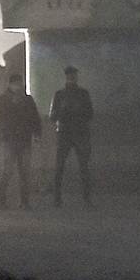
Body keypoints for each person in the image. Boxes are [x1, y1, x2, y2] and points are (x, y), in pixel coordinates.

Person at [49, 65, 94, 207]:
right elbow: (53, 116)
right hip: (68, 133)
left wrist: (76, 112)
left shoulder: (81, 94)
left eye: (73, 76)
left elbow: (90, 113)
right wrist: (64, 112)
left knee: (82, 167)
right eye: (70, 76)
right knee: (62, 167)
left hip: (76, 132)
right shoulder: (61, 95)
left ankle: (84, 198)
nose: (72, 79)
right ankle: (58, 198)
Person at [0, 74, 41, 209]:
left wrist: (37, 132)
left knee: (23, 171)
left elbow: (34, 117)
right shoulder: (5, 100)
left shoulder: (26, 100)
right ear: (11, 85)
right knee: (9, 170)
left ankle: (22, 201)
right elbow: (1, 119)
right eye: (16, 84)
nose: (18, 86)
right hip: (12, 139)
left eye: (19, 84)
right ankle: (1, 199)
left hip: (22, 139)